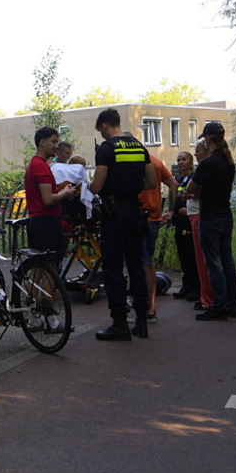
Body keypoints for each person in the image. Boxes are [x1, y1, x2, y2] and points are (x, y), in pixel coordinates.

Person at [89, 109, 157, 341]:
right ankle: (141, 319)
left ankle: (119, 324)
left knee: (113, 270)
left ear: (105, 126)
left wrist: (90, 186)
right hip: (135, 213)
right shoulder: (139, 147)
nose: (102, 134)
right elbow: (151, 181)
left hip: (114, 215)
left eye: (101, 130)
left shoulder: (106, 149)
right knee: (136, 266)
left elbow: (97, 186)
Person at [186, 122, 236, 320]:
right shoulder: (228, 161)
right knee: (227, 262)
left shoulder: (207, 163)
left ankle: (218, 307)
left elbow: (191, 188)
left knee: (214, 264)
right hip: (226, 214)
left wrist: (185, 194)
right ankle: (231, 305)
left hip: (209, 217)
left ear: (208, 139)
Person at [24, 127, 77, 267]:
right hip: (47, 221)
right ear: (42, 142)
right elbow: (48, 199)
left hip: (36, 220)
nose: (56, 146)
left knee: (37, 267)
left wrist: (62, 190)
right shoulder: (42, 166)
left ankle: (33, 290)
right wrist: (66, 193)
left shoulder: (33, 164)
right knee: (50, 267)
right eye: (53, 142)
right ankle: (49, 290)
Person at [139, 150, 179, 328]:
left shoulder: (132, 163)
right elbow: (173, 184)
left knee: (141, 263)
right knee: (148, 260)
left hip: (137, 216)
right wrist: (170, 210)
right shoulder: (155, 162)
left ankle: (146, 306)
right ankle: (151, 304)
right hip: (154, 217)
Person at [185, 141, 214, 310]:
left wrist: (188, 194)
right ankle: (210, 296)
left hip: (200, 214)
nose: (195, 155)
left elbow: (194, 189)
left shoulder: (204, 168)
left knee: (203, 259)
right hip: (201, 214)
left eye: (197, 151)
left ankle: (207, 298)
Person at [170, 151, 201, 301]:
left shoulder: (195, 178)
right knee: (183, 256)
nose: (181, 162)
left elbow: (200, 197)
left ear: (191, 162)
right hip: (179, 222)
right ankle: (186, 285)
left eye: (184, 159)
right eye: (178, 160)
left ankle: (196, 287)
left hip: (191, 221)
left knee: (192, 256)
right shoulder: (180, 180)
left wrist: (188, 210)